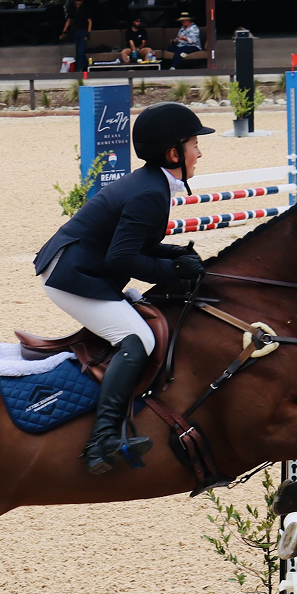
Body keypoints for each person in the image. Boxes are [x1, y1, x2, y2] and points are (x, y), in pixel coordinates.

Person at [32, 103, 214, 475]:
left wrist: (176, 254)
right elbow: (121, 259)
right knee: (138, 339)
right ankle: (102, 441)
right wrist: (170, 270)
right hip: (73, 275)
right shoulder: (151, 193)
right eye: (194, 144)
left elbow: (134, 245)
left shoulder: (151, 183)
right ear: (173, 152)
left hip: (82, 264)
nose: (199, 152)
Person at [62, 0, 92, 75]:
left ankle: (79, 69)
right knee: (78, 51)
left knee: (81, 51)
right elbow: (69, 20)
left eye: (80, 0)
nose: (78, 2)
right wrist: (64, 31)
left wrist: (88, 33)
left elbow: (89, 21)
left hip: (84, 31)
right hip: (76, 31)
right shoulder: (72, 9)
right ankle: (86, 66)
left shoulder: (86, 9)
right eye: (77, 0)